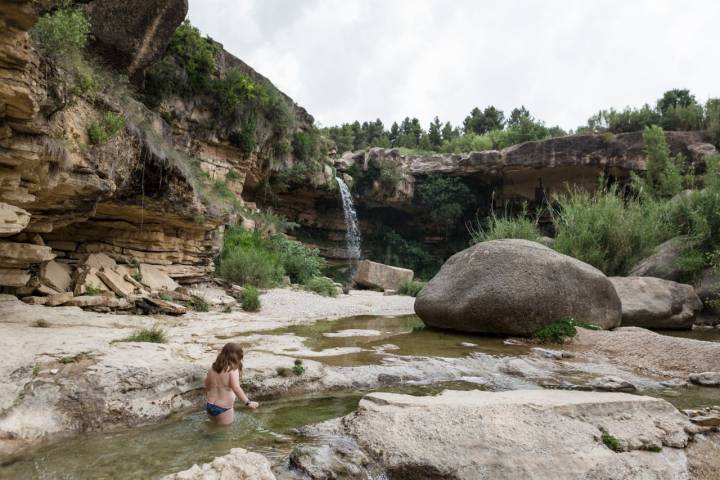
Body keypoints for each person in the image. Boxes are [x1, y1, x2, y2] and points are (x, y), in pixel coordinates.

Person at [205, 342, 258, 425]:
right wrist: (248, 403)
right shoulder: (232, 370)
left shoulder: (213, 368)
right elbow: (236, 387)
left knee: (212, 427)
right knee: (224, 431)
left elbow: (207, 385)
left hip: (210, 404)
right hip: (223, 407)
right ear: (237, 356)